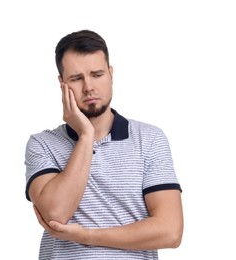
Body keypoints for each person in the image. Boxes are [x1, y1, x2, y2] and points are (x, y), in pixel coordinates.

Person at [24, 29, 183, 260]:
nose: (88, 87)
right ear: (62, 84)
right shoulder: (42, 144)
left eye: (97, 74)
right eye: (76, 79)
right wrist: (86, 136)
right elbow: (56, 213)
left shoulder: (149, 139)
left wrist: (86, 236)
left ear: (111, 74)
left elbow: (170, 232)